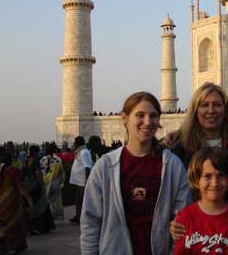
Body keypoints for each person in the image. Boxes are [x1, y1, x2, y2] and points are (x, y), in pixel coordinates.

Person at [81, 91, 192, 255]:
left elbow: (183, 218)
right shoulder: (105, 167)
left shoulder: (171, 165)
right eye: (140, 115)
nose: (147, 122)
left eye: (153, 116)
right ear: (124, 118)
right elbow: (90, 221)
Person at [173, 147, 228, 254]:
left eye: (220, 175)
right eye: (207, 176)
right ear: (197, 180)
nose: (215, 183)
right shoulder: (185, 218)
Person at [171, 83, 228, 168]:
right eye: (204, 105)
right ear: (195, 111)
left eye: (217, 105)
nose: (211, 111)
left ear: (225, 110)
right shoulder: (180, 148)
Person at [0, 146, 33, 254]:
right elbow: (21, 187)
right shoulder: (14, 171)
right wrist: (30, 201)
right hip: (11, 206)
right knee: (17, 220)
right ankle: (16, 244)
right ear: (10, 160)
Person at [23, 145, 56, 234]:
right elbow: (38, 173)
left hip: (28, 185)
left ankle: (31, 227)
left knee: (32, 205)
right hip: (36, 185)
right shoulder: (35, 160)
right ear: (35, 153)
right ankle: (42, 227)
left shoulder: (26, 161)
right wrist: (42, 186)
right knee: (42, 204)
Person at [69, 135, 92, 224]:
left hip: (82, 181)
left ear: (78, 143)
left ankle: (82, 218)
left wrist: (87, 180)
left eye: (75, 143)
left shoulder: (84, 152)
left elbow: (87, 166)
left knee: (82, 200)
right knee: (78, 200)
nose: (74, 145)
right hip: (79, 181)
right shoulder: (81, 151)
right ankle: (78, 216)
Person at [40, 143, 66, 220]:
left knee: (47, 200)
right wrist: (62, 182)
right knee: (55, 200)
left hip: (46, 183)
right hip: (56, 182)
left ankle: (49, 216)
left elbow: (41, 172)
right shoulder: (58, 160)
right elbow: (62, 173)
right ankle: (54, 215)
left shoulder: (42, 160)